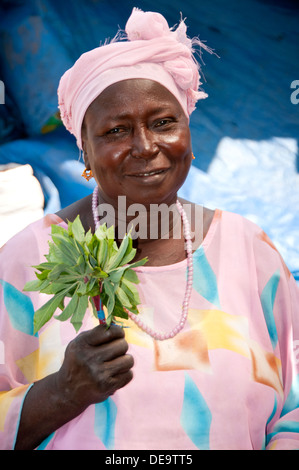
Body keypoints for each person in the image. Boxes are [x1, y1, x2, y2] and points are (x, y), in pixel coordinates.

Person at [1, 8, 299, 451]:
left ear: (188, 134)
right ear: (84, 150)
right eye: (117, 130)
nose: (145, 147)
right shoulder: (29, 259)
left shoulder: (248, 252)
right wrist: (62, 392)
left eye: (163, 123)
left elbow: (292, 406)